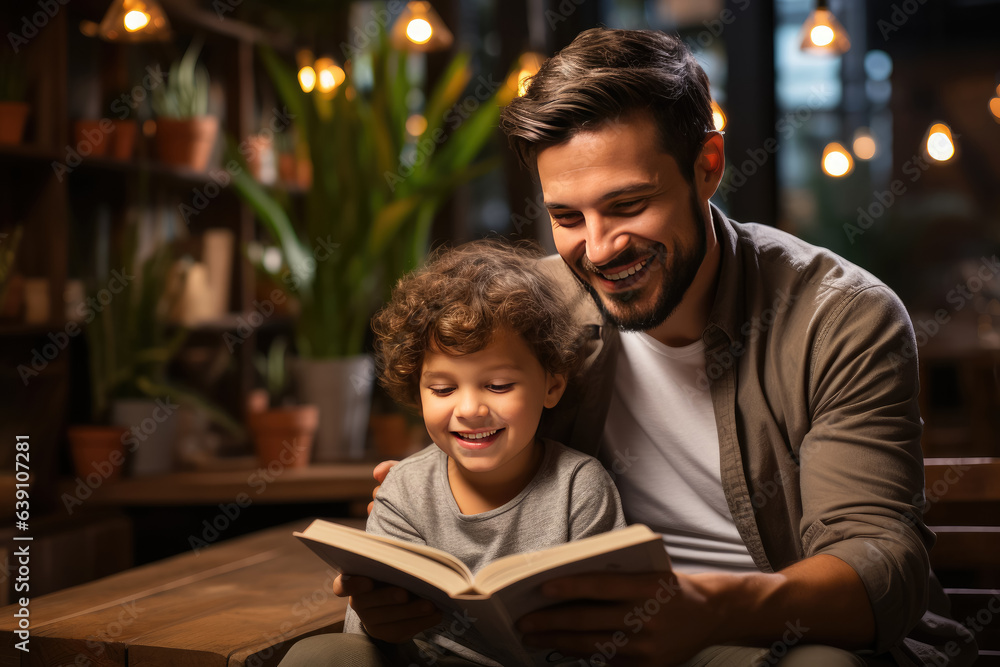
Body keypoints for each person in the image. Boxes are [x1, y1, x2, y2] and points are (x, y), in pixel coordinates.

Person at [329, 28, 978, 667]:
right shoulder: (533, 310)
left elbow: (880, 569)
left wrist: (709, 607)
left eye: (628, 204)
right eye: (567, 217)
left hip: (773, 640)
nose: (601, 246)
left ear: (708, 168)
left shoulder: (840, 318)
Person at [280, 239, 628, 666]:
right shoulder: (403, 490)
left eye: (498, 385)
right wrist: (378, 622)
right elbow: (368, 640)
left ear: (552, 385)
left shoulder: (581, 487)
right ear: (417, 390)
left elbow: (614, 630)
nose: (469, 410)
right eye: (443, 389)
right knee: (319, 654)